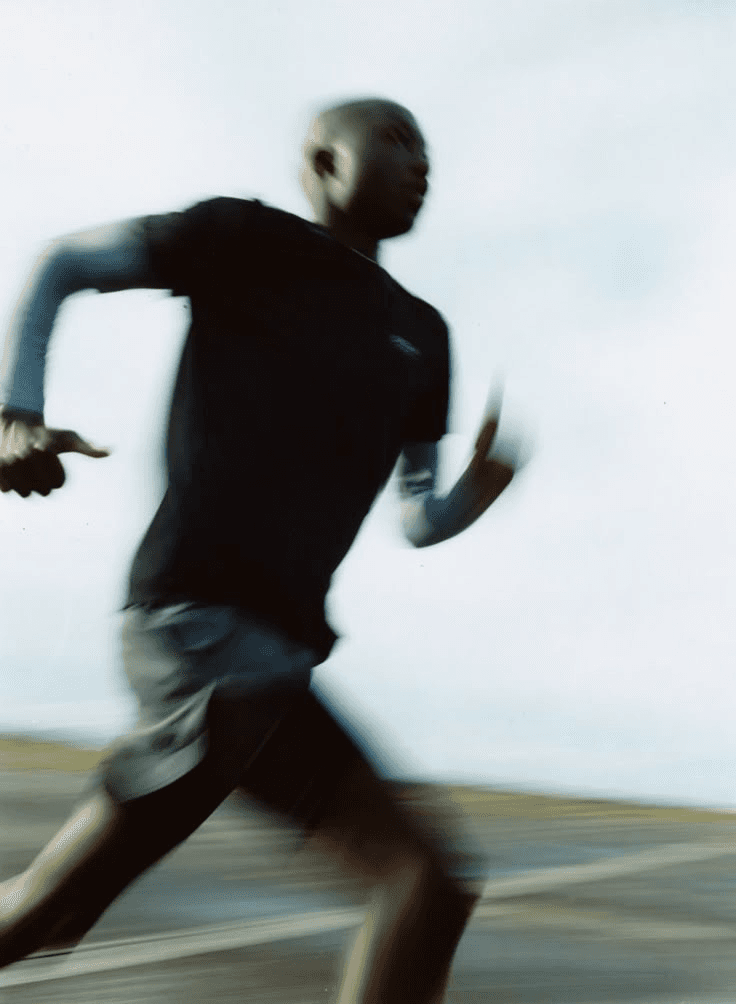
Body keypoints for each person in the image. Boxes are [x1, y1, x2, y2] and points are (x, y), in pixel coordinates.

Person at [0, 97, 524, 1002]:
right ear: (321, 161)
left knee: (425, 887)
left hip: (275, 660)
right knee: (48, 912)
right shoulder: (244, 238)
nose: (420, 160)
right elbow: (66, 263)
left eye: (428, 149)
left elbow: (418, 517)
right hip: (200, 626)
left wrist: (476, 492)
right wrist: (16, 413)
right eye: (395, 139)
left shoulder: (424, 336)